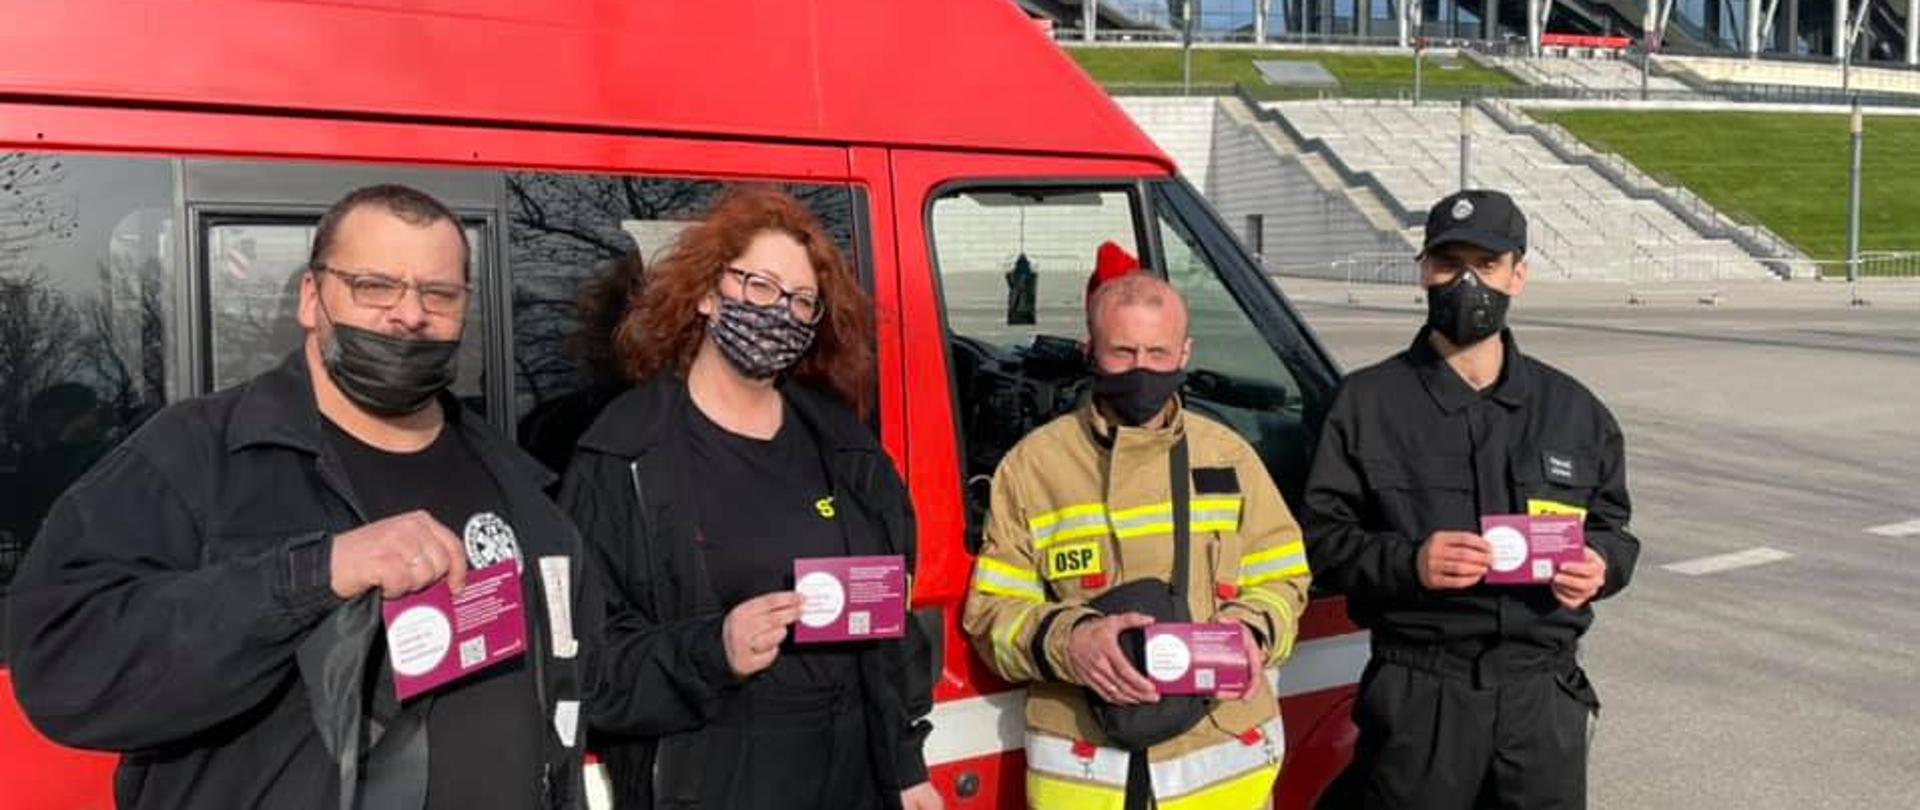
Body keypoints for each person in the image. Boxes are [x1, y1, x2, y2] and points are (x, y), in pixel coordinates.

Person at [5, 184, 595, 809]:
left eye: (439, 294)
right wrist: (316, 574)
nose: (409, 314)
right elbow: (67, 670)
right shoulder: (196, 455)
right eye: (375, 286)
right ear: (313, 298)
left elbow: (577, 685)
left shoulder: (522, 485)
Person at [561, 188, 939, 810]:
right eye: (759, 287)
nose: (779, 313)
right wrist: (715, 649)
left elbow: (888, 629)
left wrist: (906, 765)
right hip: (710, 782)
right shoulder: (623, 456)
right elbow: (590, 667)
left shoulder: (845, 449)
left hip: (850, 784)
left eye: (802, 302)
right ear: (708, 294)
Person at [1302, 189, 1640, 810]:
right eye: (1448, 263)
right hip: (1421, 695)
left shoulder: (1574, 412)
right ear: (1423, 272)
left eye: (1485, 265)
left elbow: (1615, 530)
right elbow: (1322, 543)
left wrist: (1601, 565)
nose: (1466, 282)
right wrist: (1410, 562)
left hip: (1540, 702)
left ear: (1519, 274)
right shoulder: (1367, 405)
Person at [961, 271, 1311, 810]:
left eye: (1158, 351)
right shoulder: (1033, 467)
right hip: (1086, 774)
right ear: (1090, 351)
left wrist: (1252, 631)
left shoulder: (1229, 456)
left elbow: (1285, 578)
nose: (1141, 369)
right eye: (1122, 352)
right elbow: (991, 614)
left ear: (1185, 351)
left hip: (1221, 768)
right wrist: (1069, 642)